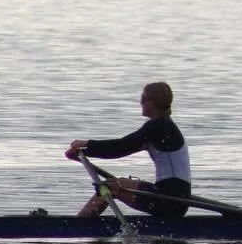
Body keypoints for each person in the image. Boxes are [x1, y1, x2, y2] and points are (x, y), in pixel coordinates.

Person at [66, 81, 192, 219]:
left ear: (151, 102)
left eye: (143, 99)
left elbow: (119, 147)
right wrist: (83, 152)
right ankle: (83, 223)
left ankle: (77, 226)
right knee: (111, 185)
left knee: (108, 187)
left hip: (170, 200)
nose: (140, 103)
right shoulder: (164, 127)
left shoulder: (158, 126)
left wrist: (85, 144)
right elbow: (120, 149)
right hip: (175, 199)